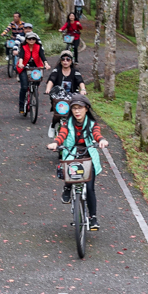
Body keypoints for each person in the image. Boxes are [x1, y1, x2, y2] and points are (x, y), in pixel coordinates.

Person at [47, 94, 108, 231]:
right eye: (74, 108)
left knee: (90, 188)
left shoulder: (92, 124)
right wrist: (55, 143)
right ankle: (68, 187)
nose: (77, 111)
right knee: (69, 169)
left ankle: (93, 218)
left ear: (86, 109)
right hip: (72, 155)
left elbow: (97, 134)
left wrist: (101, 140)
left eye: (80, 108)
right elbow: (62, 135)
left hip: (88, 157)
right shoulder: (66, 124)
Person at [45, 50, 86, 137]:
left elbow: (80, 81)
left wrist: (83, 89)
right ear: (60, 61)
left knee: (75, 112)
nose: (65, 61)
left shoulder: (75, 71)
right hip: (58, 96)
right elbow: (51, 80)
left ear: (71, 61)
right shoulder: (57, 70)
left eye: (68, 59)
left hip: (72, 95)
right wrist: (48, 89)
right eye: (63, 59)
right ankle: (52, 126)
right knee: (58, 113)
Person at [17, 32, 51, 114]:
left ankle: (34, 92)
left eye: (33, 39)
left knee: (37, 81)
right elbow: (21, 57)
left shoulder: (38, 47)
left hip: (36, 68)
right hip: (24, 68)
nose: (32, 40)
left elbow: (42, 56)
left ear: (36, 40)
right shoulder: (24, 47)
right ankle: (21, 105)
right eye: (29, 39)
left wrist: (46, 64)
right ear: (26, 40)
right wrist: (21, 64)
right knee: (24, 86)